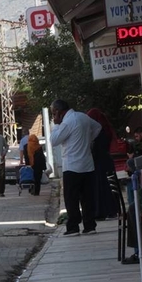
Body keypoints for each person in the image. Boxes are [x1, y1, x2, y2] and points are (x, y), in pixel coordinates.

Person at [50, 100, 101, 236]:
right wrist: (88, 140)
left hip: (72, 166)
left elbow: (54, 140)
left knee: (71, 198)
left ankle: (73, 226)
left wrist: (55, 125)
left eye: (54, 113)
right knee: (87, 198)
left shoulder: (67, 122)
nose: (54, 116)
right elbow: (97, 127)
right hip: (87, 165)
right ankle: (89, 225)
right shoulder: (83, 117)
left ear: (58, 112)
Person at [86, 108, 118, 221]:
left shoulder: (98, 133)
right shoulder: (105, 130)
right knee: (107, 187)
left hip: (99, 162)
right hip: (106, 161)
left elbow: (96, 149)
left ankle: (102, 211)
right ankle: (111, 210)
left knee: (100, 188)